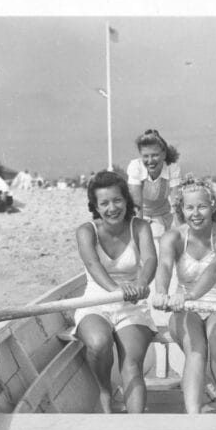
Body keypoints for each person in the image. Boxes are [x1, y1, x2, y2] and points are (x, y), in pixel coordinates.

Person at [151, 176, 216, 430]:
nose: (196, 214)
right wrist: (163, 292)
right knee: (197, 351)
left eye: (202, 207)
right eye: (189, 208)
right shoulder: (173, 236)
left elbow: (212, 273)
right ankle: (194, 425)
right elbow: (164, 267)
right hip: (183, 308)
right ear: (181, 210)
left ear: (213, 206)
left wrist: (188, 296)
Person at [74, 171, 158, 414]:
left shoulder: (140, 227)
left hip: (132, 304)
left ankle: (136, 426)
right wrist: (116, 289)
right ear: (95, 206)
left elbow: (151, 259)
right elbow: (93, 265)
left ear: (126, 200)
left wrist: (141, 283)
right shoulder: (86, 231)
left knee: (131, 364)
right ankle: (104, 390)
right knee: (99, 343)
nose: (112, 208)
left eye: (117, 200)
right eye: (105, 203)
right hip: (96, 301)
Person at [127, 129, 181, 241]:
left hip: (163, 216)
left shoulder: (172, 168)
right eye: (145, 156)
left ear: (164, 154)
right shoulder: (135, 167)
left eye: (155, 155)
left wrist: (182, 233)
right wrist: (138, 238)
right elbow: (137, 206)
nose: (150, 161)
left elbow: (175, 205)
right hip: (140, 215)